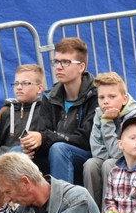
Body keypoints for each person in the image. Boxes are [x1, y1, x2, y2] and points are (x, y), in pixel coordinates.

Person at [29, 37, 97, 181]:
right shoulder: (49, 96)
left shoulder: (96, 95)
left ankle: (63, 202)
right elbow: (43, 132)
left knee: (59, 149)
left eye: (65, 62)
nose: (58, 67)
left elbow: (86, 140)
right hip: (56, 155)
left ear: (81, 67)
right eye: (56, 61)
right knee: (19, 153)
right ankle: (15, 203)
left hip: (86, 158)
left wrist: (45, 138)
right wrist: (32, 144)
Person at [83, 71, 136, 210]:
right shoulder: (99, 113)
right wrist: (105, 119)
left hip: (135, 162)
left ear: (124, 99)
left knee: (109, 164)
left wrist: (107, 123)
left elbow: (120, 155)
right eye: (101, 97)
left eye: (112, 96)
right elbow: (96, 149)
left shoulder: (134, 115)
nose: (105, 101)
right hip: (111, 157)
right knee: (91, 164)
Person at [0, 64, 47, 156]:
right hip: (4, 159)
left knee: (18, 150)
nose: (19, 87)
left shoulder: (46, 110)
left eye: (25, 83)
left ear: (39, 88)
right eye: (16, 83)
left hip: (33, 161)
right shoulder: (5, 110)